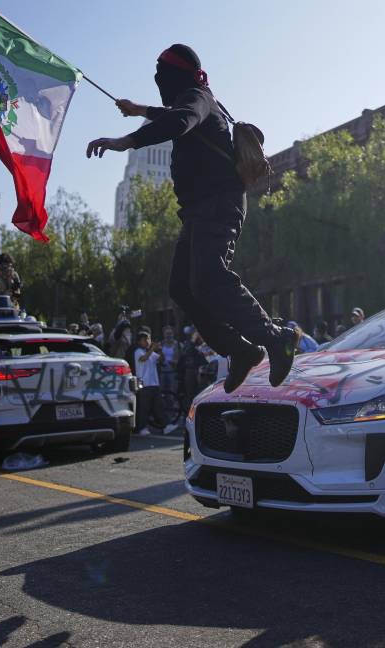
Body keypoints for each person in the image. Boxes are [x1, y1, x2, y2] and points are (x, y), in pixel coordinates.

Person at [86, 43, 299, 395]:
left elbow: (181, 118)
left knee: (210, 277)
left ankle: (277, 338)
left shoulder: (198, 96)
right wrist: (138, 109)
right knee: (182, 287)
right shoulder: (193, 97)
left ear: (178, 76)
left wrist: (127, 140)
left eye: (162, 75)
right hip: (200, 211)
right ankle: (240, 350)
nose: (158, 81)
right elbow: (174, 111)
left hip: (218, 204)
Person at [130, 331, 164, 436]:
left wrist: (160, 350)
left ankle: (164, 426)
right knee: (143, 408)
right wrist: (152, 348)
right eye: (145, 339)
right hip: (144, 384)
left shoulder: (150, 352)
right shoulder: (138, 351)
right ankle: (141, 428)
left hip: (154, 384)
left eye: (149, 339)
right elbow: (143, 359)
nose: (148, 341)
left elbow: (161, 360)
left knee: (158, 406)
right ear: (139, 341)